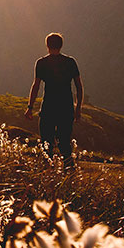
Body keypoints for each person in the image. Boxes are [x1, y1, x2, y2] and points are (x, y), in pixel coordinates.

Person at [24, 32, 83, 167]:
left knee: (46, 144)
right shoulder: (70, 62)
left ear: (47, 45)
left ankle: (47, 176)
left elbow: (36, 86)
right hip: (66, 108)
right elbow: (79, 87)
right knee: (65, 144)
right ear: (61, 45)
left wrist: (30, 107)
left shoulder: (41, 63)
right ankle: (69, 177)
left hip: (48, 108)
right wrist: (78, 108)